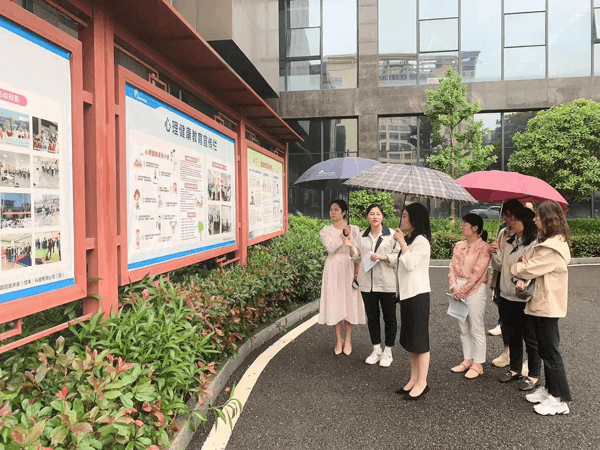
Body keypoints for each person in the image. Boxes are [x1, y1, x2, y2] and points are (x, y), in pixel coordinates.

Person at [510, 201, 572, 415]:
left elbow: (528, 267)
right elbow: (527, 263)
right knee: (546, 350)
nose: (534, 218)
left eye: (537, 215)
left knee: (551, 352)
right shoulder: (545, 241)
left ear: (548, 219)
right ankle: (550, 390)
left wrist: (517, 269)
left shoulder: (551, 248)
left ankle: (559, 400)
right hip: (541, 302)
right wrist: (523, 269)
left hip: (546, 304)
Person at [491, 207, 541, 390]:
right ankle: (515, 370)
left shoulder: (535, 243)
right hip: (506, 293)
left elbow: (534, 270)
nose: (510, 222)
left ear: (525, 222)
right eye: (509, 219)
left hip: (524, 297)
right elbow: (499, 265)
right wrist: (494, 252)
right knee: (513, 335)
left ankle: (534, 375)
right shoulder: (508, 239)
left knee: (530, 337)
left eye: (514, 219)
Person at [347, 204, 399, 367]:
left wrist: (383, 257)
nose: (375, 217)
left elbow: (398, 257)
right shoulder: (361, 236)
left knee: (389, 317)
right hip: (367, 284)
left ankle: (388, 351)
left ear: (382, 216)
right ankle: (376, 349)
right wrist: (350, 247)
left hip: (387, 283)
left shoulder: (392, 235)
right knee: (372, 317)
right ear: (367, 217)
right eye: (371, 214)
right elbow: (357, 258)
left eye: (378, 213)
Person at [389, 203, 431, 400]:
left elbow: (411, 264)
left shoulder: (421, 241)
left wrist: (402, 244)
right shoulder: (409, 239)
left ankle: (422, 382)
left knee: (420, 341)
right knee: (410, 340)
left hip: (418, 296)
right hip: (406, 296)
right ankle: (413, 379)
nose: (402, 218)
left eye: (405, 216)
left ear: (415, 219)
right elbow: (401, 263)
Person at [319, 200, 365, 355]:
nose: (333, 212)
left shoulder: (354, 229)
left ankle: (348, 339)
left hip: (349, 266)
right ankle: (339, 339)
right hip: (333, 267)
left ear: (344, 212)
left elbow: (358, 254)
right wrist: (343, 235)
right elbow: (331, 248)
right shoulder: (326, 231)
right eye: (331, 210)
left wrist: (351, 244)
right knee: (336, 302)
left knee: (349, 301)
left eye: (336, 210)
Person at [448, 213, 492, 379]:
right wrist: (454, 287)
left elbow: (478, 273)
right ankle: (468, 359)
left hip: (475, 290)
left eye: (465, 224)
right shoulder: (459, 245)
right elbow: (452, 268)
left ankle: (478, 364)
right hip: (458, 288)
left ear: (475, 228)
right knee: (463, 327)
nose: (461, 226)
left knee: (476, 326)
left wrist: (463, 289)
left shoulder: (484, 247)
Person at [488, 199, 525, 369]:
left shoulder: (526, 235)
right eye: (504, 216)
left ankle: (528, 360)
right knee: (505, 320)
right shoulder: (503, 233)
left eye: (508, 216)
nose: (506, 219)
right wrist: (494, 252)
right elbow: (499, 264)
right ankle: (507, 353)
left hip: (519, 285)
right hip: (502, 283)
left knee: (524, 325)